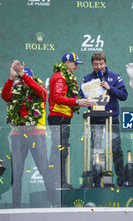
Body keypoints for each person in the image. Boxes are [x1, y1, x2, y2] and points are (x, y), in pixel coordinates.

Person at [1, 60, 56, 207]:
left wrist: (23, 75)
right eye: (21, 80)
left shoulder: (39, 90)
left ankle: (55, 203)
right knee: (17, 173)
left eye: (25, 79)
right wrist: (12, 78)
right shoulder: (16, 90)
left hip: (36, 135)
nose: (23, 83)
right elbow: (4, 96)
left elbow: (42, 92)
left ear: (30, 79)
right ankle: (16, 206)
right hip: (17, 136)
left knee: (44, 169)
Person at [79, 52, 128, 186]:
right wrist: (86, 101)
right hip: (95, 120)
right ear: (92, 65)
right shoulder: (88, 79)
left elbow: (124, 95)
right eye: (96, 64)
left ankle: (121, 181)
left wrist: (109, 88)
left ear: (105, 63)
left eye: (101, 64)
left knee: (116, 149)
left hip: (112, 119)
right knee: (96, 149)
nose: (99, 67)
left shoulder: (114, 77)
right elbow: (80, 96)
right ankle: (95, 180)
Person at [48, 52, 92, 189]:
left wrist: (78, 101)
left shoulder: (65, 77)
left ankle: (60, 182)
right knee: (60, 151)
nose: (77, 67)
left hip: (63, 116)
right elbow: (57, 98)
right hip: (58, 117)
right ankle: (58, 183)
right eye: (75, 64)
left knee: (61, 150)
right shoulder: (60, 78)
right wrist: (77, 101)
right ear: (67, 63)